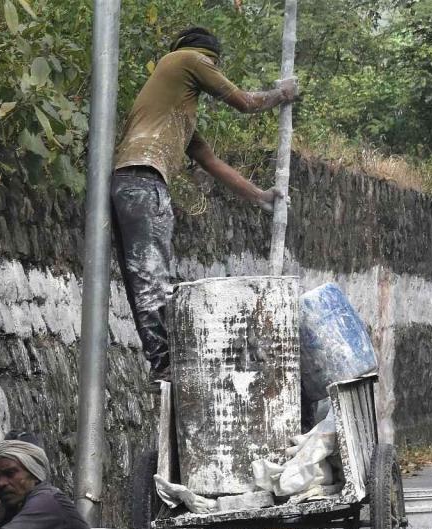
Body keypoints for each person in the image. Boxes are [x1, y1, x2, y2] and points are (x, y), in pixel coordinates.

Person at [112, 25, 298, 382]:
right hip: (143, 179)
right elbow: (243, 102)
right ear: (207, 58)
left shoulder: (172, 112)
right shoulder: (185, 58)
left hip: (126, 184)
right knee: (153, 279)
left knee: (142, 278)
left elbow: (211, 162)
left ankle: (162, 363)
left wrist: (258, 196)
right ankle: (167, 364)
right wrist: (281, 94)